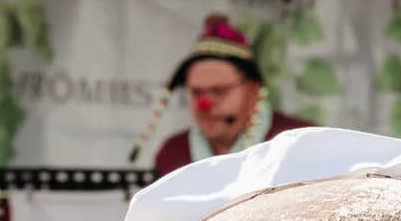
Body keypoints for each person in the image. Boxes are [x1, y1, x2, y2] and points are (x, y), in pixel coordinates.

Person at [134, 14, 317, 180]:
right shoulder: (172, 153)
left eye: (220, 91)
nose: (205, 104)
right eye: (196, 92)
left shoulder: (302, 142)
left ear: (252, 91)